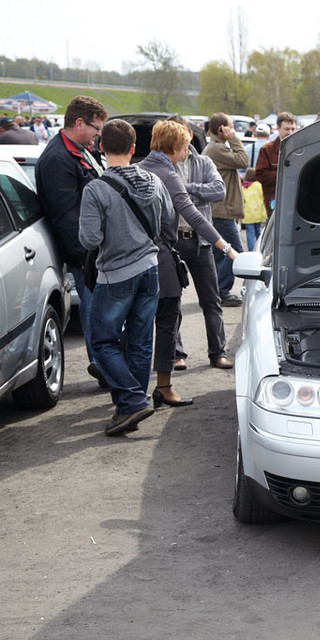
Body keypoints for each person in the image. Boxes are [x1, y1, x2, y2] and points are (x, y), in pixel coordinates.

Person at [78, 119, 175, 436]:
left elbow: (89, 240)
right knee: (140, 341)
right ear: (135, 148)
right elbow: (166, 224)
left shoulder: (96, 189)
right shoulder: (154, 181)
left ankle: (132, 401)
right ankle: (128, 408)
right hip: (150, 269)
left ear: (101, 147)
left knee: (103, 341)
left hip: (116, 275)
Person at [139, 121, 239, 407]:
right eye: (183, 145)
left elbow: (217, 191)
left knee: (200, 302)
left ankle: (213, 352)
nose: (186, 150)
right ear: (174, 147)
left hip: (184, 246)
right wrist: (228, 248)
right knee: (169, 312)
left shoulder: (151, 168)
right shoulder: (166, 174)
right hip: (167, 249)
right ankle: (164, 379)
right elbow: (193, 214)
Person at [35, 95, 108, 386]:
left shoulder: (80, 149)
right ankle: (103, 368)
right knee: (95, 315)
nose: (97, 134)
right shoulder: (56, 159)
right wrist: (85, 255)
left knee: (102, 314)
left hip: (94, 248)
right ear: (79, 123)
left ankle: (106, 365)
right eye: (95, 128)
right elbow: (66, 216)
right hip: (86, 254)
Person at [166, 116, 231, 373]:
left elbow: (219, 190)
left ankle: (218, 353)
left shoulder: (203, 161)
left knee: (211, 301)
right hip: (173, 241)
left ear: (189, 135)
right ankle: (176, 354)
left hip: (202, 241)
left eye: (182, 133)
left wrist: (186, 189)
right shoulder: (164, 165)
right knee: (172, 303)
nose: (180, 139)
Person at [203, 112, 249, 307]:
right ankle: (221, 291)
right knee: (234, 251)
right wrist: (234, 139)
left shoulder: (217, 148)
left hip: (220, 209)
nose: (233, 130)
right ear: (221, 129)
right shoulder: (217, 149)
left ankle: (213, 292)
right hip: (222, 210)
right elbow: (243, 161)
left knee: (217, 254)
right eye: (230, 127)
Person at [255, 111, 297, 217]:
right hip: (275, 203)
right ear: (278, 128)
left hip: (296, 203)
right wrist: (285, 174)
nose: (290, 132)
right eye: (287, 129)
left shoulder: (301, 149)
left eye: (293, 129)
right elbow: (261, 175)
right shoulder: (267, 149)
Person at [241, 168, 267, 250]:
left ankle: (251, 250)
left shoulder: (243, 187)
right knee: (258, 231)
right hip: (259, 213)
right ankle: (260, 249)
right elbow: (264, 197)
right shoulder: (258, 185)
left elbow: (241, 201)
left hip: (248, 214)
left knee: (250, 233)